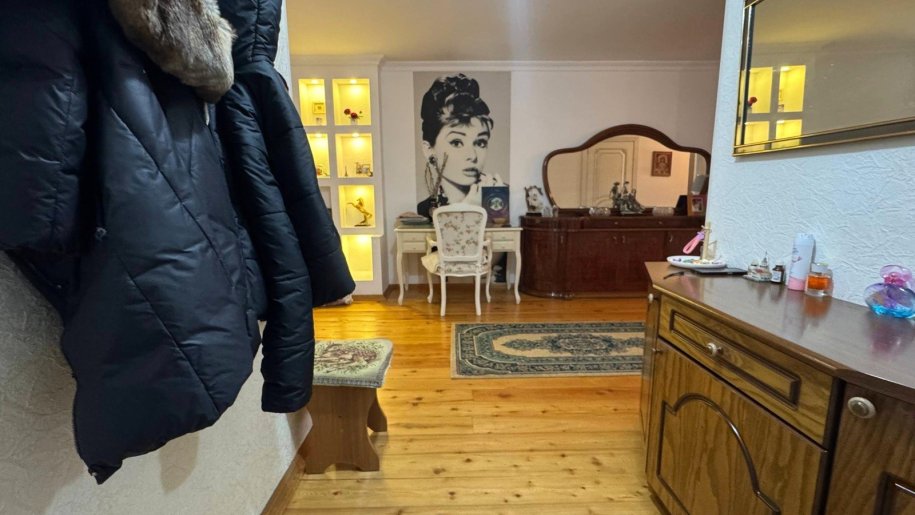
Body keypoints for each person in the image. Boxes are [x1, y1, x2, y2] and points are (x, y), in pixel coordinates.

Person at [417, 74, 505, 218]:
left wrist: (498, 206)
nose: (472, 156)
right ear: (429, 150)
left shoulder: (497, 198)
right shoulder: (422, 211)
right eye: (456, 142)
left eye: (480, 142)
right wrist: (469, 209)